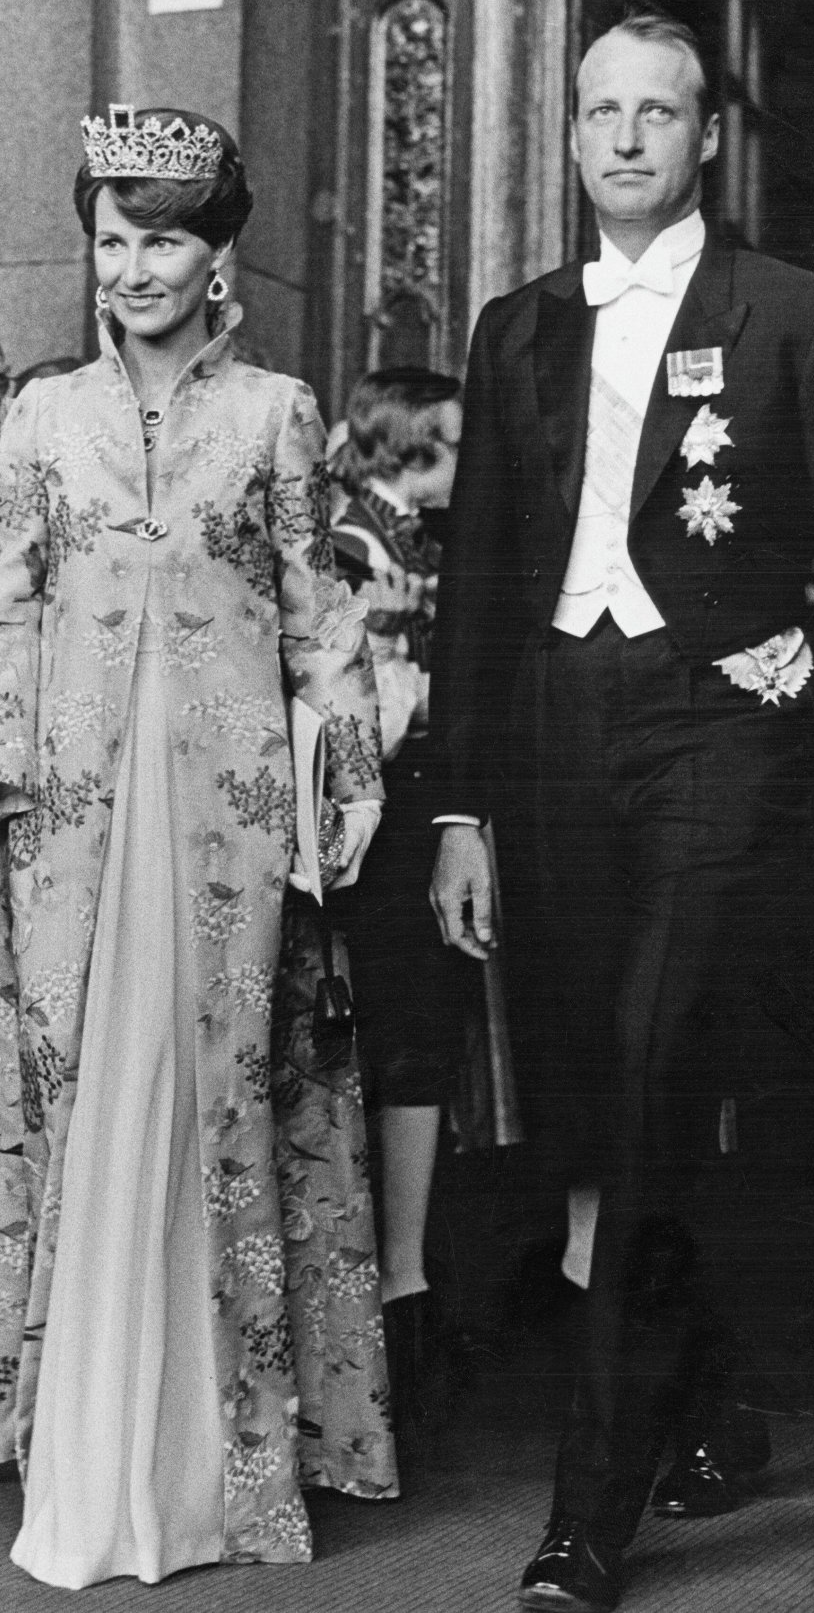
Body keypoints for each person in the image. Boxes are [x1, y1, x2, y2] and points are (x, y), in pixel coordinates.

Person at [428, 16, 814, 1611]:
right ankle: (712, 1391)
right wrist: (459, 802)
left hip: (720, 728)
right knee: (609, 1100)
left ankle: (586, 1510)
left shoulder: (792, 311)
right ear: (572, 132)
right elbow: (479, 580)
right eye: (600, 110)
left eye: (656, 112)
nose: (624, 138)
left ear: (706, 137)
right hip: (557, 734)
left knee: (657, 1068)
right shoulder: (516, 327)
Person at [0, 105, 395, 1589]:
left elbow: (319, 622)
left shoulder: (275, 414)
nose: (132, 269)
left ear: (216, 253)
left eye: (162, 242)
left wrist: (347, 785)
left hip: (232, 831)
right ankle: (87, 1470)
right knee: (89, 1105)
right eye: (113, 241)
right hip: (68, 825)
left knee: (211, 1108)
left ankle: (213, 1475)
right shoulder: (44, 419)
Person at [326, 368, 476, 1437]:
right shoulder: (350, 546)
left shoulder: (423, 544)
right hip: (368, 816)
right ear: (406, 447)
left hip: (422, 806)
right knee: (387, 1037)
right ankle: (384, 1292)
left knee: (423, 1037)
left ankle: (408, 1281)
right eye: (454, 444)